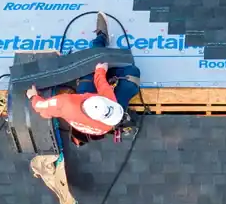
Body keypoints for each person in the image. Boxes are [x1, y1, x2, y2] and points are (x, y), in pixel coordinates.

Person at [25, 12, 141, 142]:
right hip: (94, 115)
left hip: (85, 111)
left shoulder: (65, 104)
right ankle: (101, 45)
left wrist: (33, 96)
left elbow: (41, 107)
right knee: (132, 78)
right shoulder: (106, 119)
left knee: (90, 65)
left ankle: (100, 40)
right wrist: (101, 72)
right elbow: (104, 89)